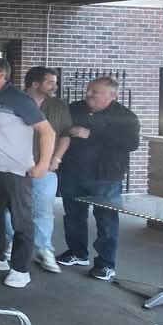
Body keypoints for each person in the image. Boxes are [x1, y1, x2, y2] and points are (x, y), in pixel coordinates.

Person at [0, 57, 55, 289]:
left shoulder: (20, 100)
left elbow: (47, 132)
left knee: (22, 222)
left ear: (2, 75)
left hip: (15, 171)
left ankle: (20, 269)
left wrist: (43, 164)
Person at [58, 77, 140, 281]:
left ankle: (106, 264)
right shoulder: (75, 108)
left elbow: (131, 143)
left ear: (113, 95)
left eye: (95, 91)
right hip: (73, 173)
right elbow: (62, 130)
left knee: (106, 221)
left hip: (105, 177)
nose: (89, 94)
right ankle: (77, 253)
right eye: (88, 90)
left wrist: (91, 134)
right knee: (73, 216)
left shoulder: (125, 117)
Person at [5, 68, 73, 273]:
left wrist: (56, 158)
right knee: (9, 208)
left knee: (43, 209)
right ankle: (12, 242)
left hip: (45, 166)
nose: (55, 86)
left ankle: (43, 249)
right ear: (35, 84)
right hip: (14, 165)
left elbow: (65, 134)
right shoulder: (12, 101)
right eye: (50, 82)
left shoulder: (58, 106)